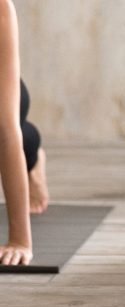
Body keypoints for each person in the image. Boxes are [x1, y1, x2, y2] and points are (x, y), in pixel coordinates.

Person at [0, 0, 49, 266]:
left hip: (6, 100)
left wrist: (20, 239)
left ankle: (34, 157)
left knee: (13, 131)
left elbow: (6, 134)